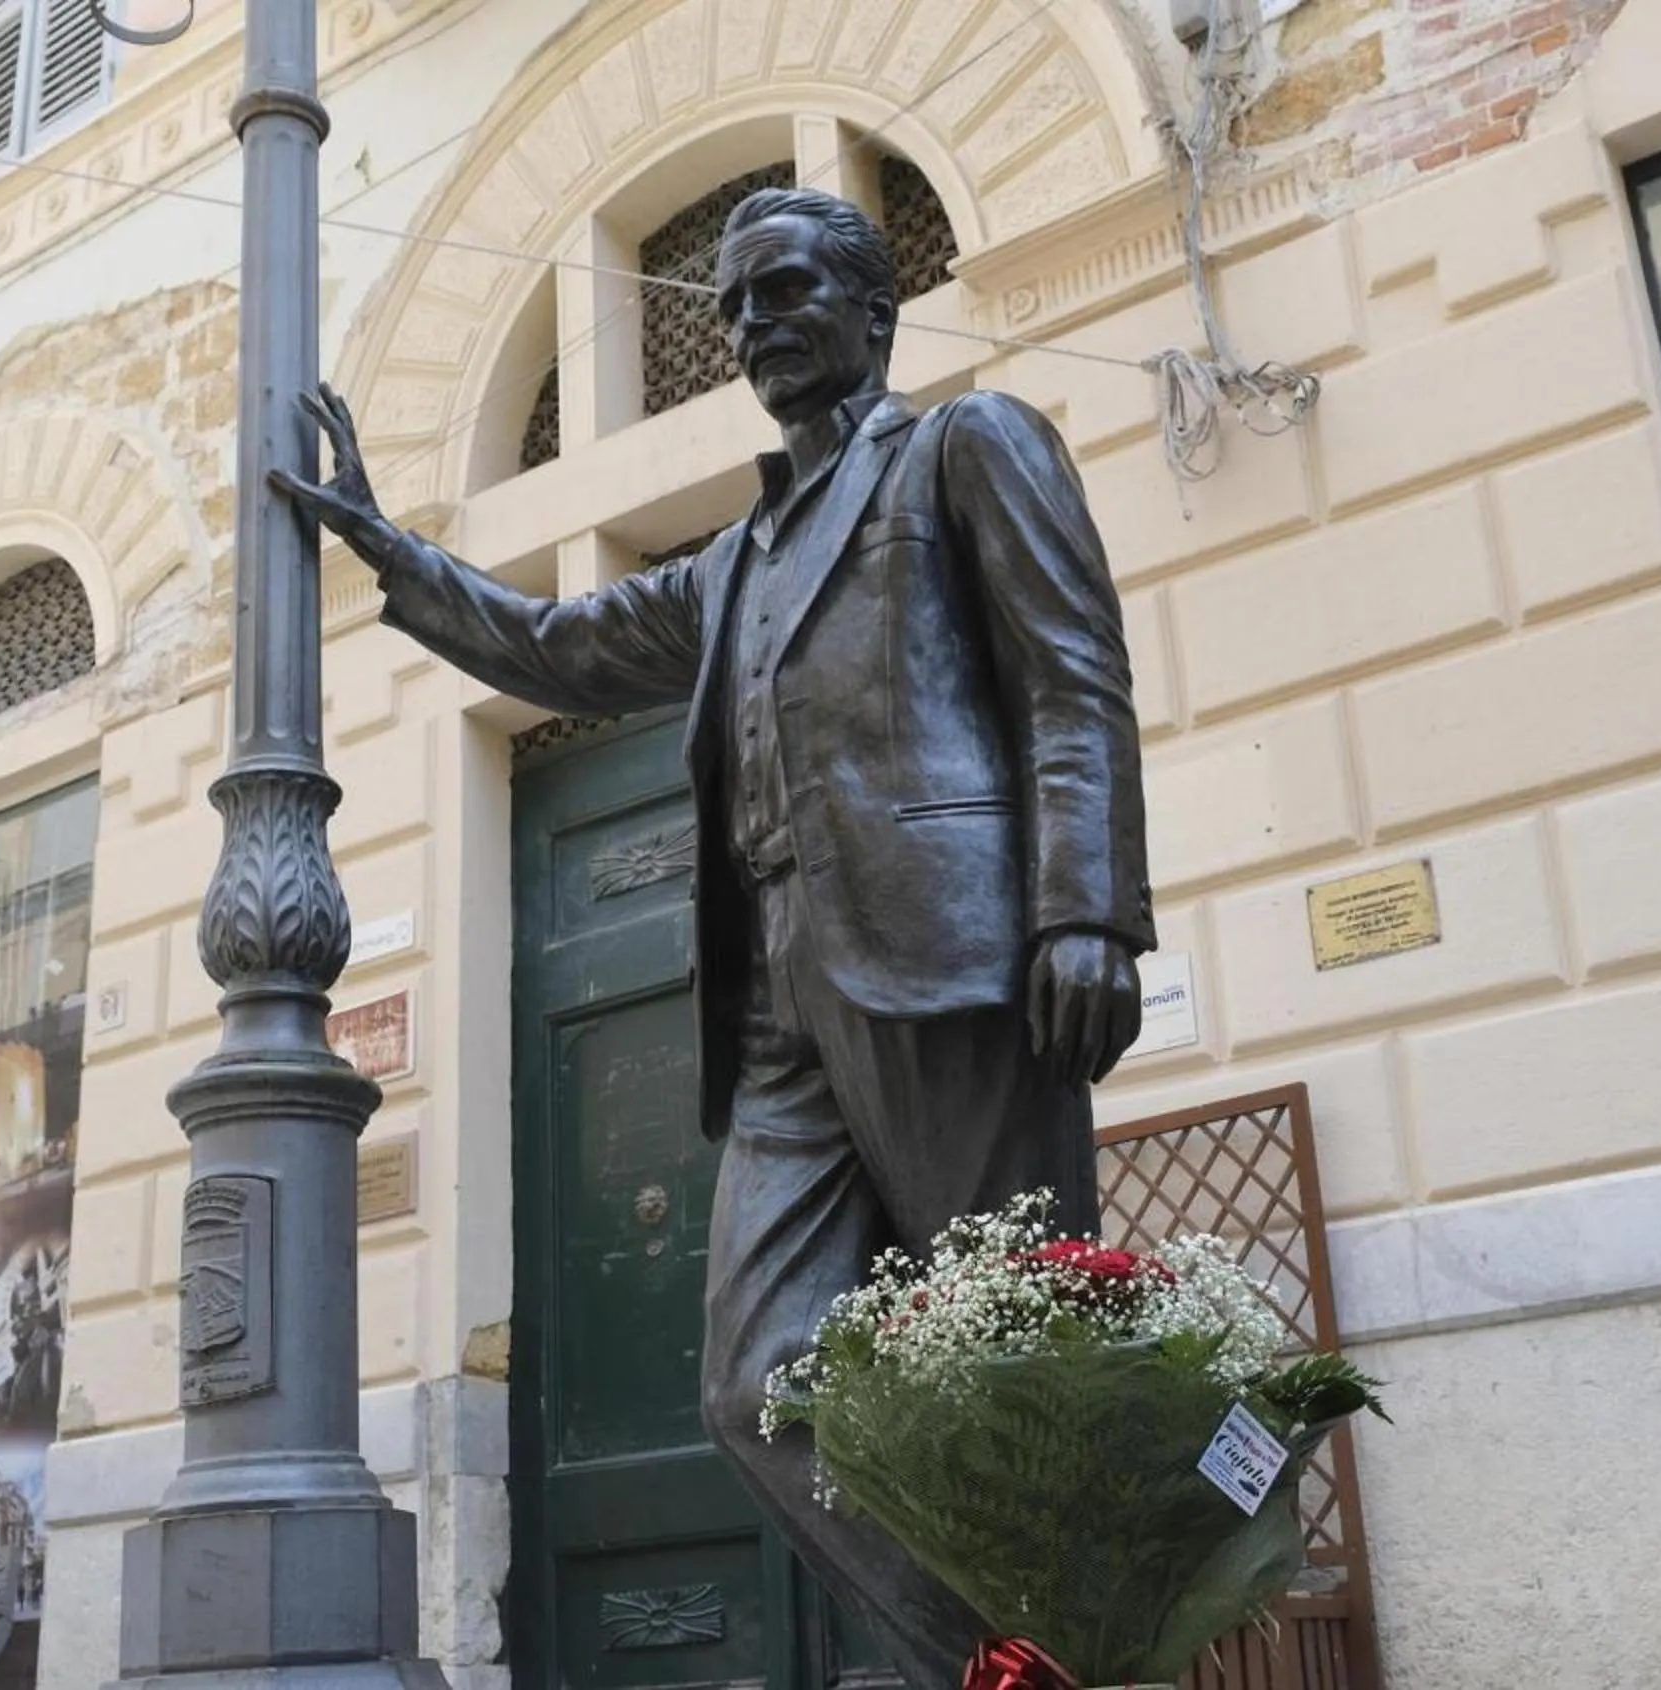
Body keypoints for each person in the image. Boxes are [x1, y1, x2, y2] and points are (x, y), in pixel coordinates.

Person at [275, 184, 1155, 1689]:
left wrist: (1085, 909)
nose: (750, 324)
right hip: (782, 1011)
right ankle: (999, 1664)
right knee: (758, 1382)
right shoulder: (731, 563)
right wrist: (388, 554)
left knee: (1012, 1369)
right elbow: (554, 647)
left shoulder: (963, 448)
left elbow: (1073, 678)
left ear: (875, 306)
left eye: (783, 288)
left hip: (949, 958)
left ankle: (1025, 1655)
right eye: (732, 305)